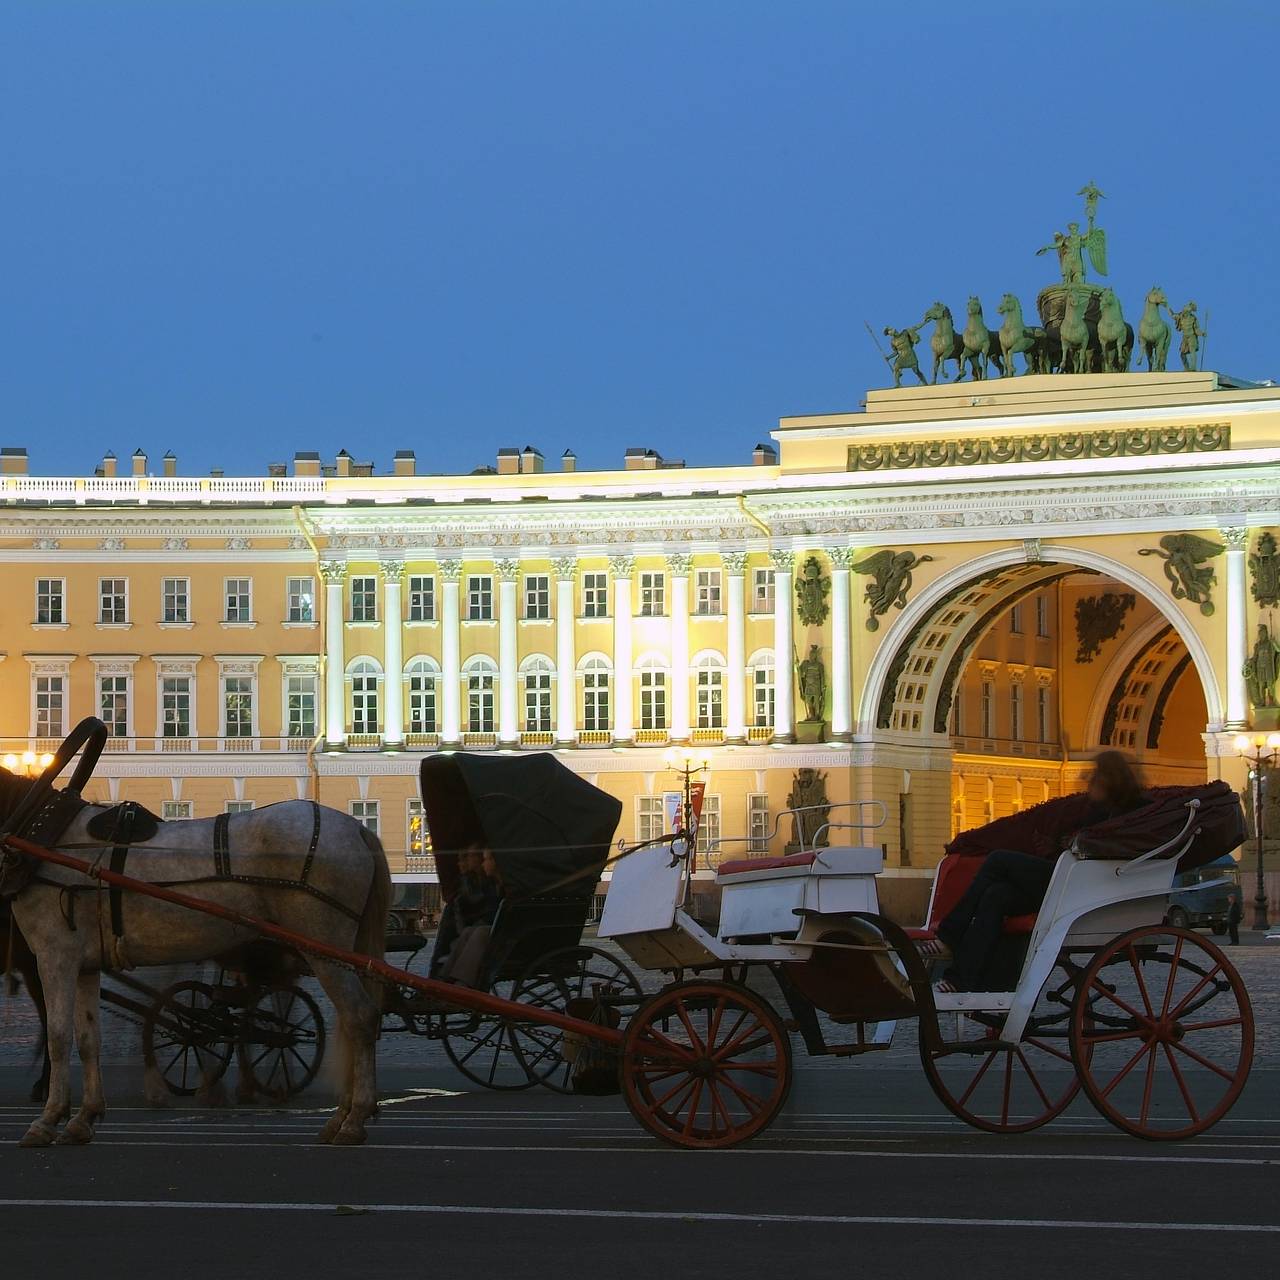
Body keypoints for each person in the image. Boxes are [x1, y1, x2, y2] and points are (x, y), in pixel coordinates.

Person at [929, 751, 1147, 992]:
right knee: (996, 895)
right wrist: (1058, 844)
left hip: (1081, 884)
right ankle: (962, 979)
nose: (1090, 779)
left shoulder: (1129, 809)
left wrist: (1070, 843)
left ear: (1110, 778)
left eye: (1097, 774)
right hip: (1070, 877)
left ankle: (949, 935)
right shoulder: (1100, 807)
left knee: (998, 860)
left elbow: (1102, 843)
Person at [438, 843, 503, 988]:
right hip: (493, 928)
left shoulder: (498, 884)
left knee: (480, 932)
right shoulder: (491, 883)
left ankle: (462, 982)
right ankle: (444, 979)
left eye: (486, 859)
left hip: (501, 932)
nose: (483, 863)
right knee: (470, 931)